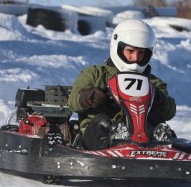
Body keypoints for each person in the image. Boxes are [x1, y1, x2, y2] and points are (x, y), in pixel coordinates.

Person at [68, 19, 176, 150]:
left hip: (141, 135)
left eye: (141, 53)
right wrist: (88, 97)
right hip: (98, 137)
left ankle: (161, 147)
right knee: (102, 122)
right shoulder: (95, 74)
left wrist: (158, 98)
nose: (135, 58)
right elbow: (73, 102)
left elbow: (169, 112)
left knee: (155, 122)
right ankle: (114, 143)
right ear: (117, 48)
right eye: (130, 51)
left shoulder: (152, 82)